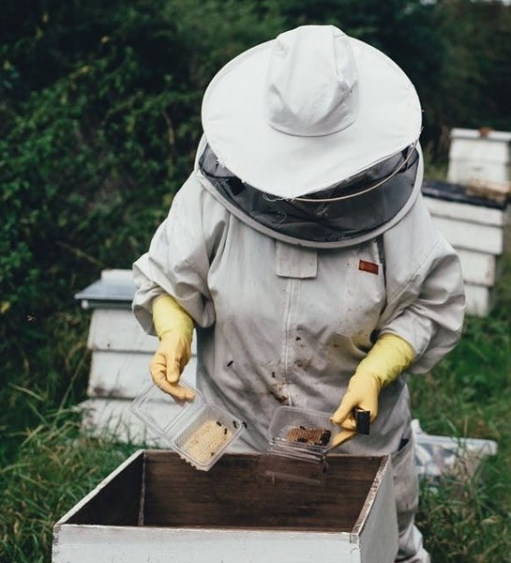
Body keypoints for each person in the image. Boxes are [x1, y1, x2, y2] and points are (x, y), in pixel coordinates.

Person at [132, 24, 465, 563]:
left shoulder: (394, 213)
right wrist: (173, 329)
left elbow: (426, 304)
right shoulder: (212, 197)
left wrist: (376, 370)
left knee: (379, 551)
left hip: (353, 445)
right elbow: (170, 277)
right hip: (231, 438)